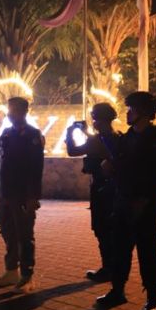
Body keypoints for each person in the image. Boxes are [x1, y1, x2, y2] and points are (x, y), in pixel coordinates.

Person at [96, 91, 156, 310]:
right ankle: (117, 291)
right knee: (120, 249)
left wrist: (143, 201)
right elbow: (121, 168)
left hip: (145, 205)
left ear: (143, 113)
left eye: (131, 109)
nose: (127, 113)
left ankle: (153, 298)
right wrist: (109, 168)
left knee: (148, 252)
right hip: (122, 202)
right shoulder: (126, 139)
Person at [0, 97, 44, 294]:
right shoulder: (5, 134)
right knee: (8, 233)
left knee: (24, 235)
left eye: (14, 110)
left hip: (23, 195)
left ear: (24, 111)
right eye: (9, 110)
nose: (10, 113)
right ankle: (11, 270)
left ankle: (27, 274)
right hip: (5, 193)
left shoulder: (33, 135)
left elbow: (36, 168)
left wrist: (33, 196)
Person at [65, 103, 120, 283]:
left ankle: (109, 268)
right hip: (113, 189)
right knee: (109, 230)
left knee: (102, 229)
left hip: (102, 189)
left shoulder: (98, 140)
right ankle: (113, 267)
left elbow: (73, 151)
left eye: (95, 117)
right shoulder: (118, 137)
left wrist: (70, 132)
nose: (93, 121)